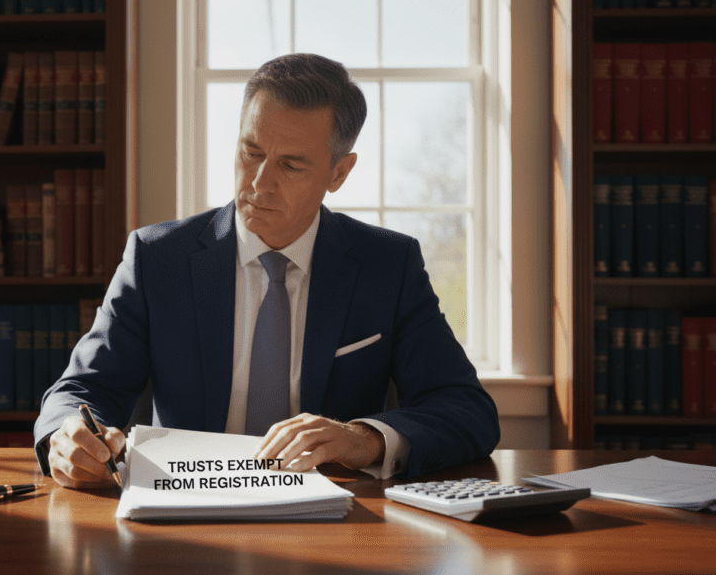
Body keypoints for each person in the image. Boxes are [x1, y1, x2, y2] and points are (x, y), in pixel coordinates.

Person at [34, 53, 499, 489]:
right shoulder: (158, 259)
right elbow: (81, 389)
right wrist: (66, 436)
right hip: (182, 513)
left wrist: (363, 438)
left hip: (335, 520)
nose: (259, 184)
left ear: (339, 173)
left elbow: (467, 410)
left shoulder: (387, 267)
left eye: (291, 165)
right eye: (251, 152)